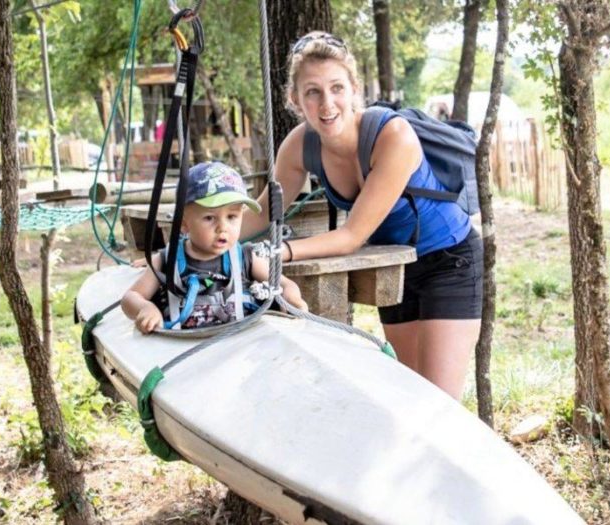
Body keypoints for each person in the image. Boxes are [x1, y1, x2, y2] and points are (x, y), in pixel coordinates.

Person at [240, 31, 483, 400]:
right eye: (313, 92)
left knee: (440, 409)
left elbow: (351, 237)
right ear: (295, 99)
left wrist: (278, 252)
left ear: (354, 89)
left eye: (337, 88)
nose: (327, 103)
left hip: (450, 262)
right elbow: (260, 215)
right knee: (409, 400)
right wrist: (198, 238)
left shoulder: (393, 135)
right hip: (397, 268)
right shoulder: (300, 146)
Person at [123, 161, 307, 333]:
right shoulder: (166, 261)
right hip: (183, 350)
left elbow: (284, 284)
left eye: (232, 217)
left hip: (237, 350)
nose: (223, 227)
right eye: (210, 218)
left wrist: (292, 299)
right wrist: (146, 308)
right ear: (183, 224)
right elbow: (130, 297)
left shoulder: (245, 257)